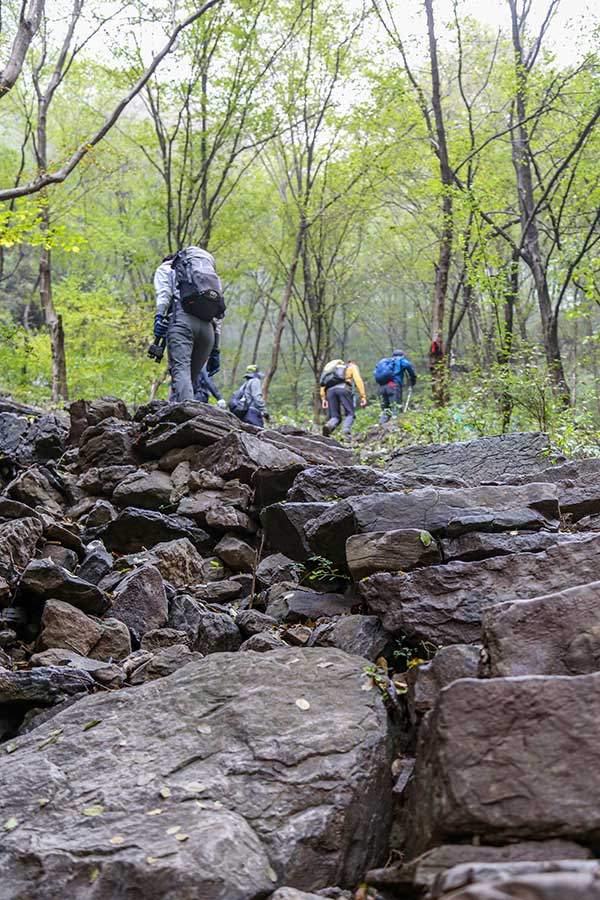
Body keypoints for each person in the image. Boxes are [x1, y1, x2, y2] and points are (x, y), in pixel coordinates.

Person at [153, 246, 224, 403]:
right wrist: (216, 349)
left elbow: (164, 295)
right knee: (187, 381)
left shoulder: (166, 268)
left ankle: (190, 421)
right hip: (208, 330)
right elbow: (219, 314)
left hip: (182, 321)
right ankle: (177, 415)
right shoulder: (211, 279)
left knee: (181, 372)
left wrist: (159, 317)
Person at [320, 358, 367, 437]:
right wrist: (363, 396)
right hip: (343, 389)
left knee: (335, 416)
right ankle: (345, 431)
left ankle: (328, 426)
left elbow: (323, 385)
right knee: (350, 414)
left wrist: (323, 398)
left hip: (330, 391)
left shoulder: (331, 371)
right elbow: (358, 380)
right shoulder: (351, 367)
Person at [373, 348, 417, 424]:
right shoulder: (400, 360)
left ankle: (381, 426)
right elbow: (411, 371)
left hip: (382, 387)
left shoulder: (385, 362)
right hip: (393, 385)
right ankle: (394, 428)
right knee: (395, 407)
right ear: (402, 356)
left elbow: (375, 372)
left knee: (385, 410)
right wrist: (412, 382)